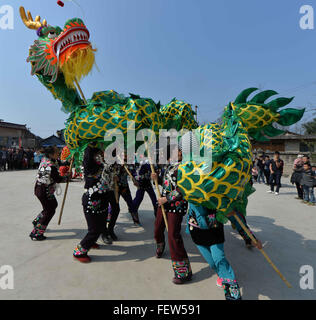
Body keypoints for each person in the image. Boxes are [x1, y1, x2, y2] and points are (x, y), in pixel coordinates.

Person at [151, 145, 192, 285]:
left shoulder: (187, 167)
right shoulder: (169, 166)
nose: (179, 152)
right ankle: (160, 245)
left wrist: (167, 198)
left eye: (181, 150)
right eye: (177, 150)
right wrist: (155, 178)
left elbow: (184, 189)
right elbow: (165, 183)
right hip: (163, 204)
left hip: (176, 205)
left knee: (173, 235)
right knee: (157, 228)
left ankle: (184, 271)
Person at [73, 144, 119, 263]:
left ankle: (92, 242)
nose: (101, 155)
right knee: (95, 230)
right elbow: (90, 157)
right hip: (92, 201)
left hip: (102, 200)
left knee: (101, 225)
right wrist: (91, 144)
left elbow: (111, 169)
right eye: (98, 155)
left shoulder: (103, 166)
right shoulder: (90, 169)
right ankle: (79, 251)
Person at [30, 146, 67, 241]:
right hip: (43, 190)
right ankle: (36, 233)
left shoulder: (46, 159)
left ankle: (37, 220)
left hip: (43, 189)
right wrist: (68, 177)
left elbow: (59, 162)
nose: (58, 154)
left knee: (53, 205)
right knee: (49, 210)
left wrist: (68, 162)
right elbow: (58, 179)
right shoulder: (50, 166)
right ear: (51, 154)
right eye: (57, 152)